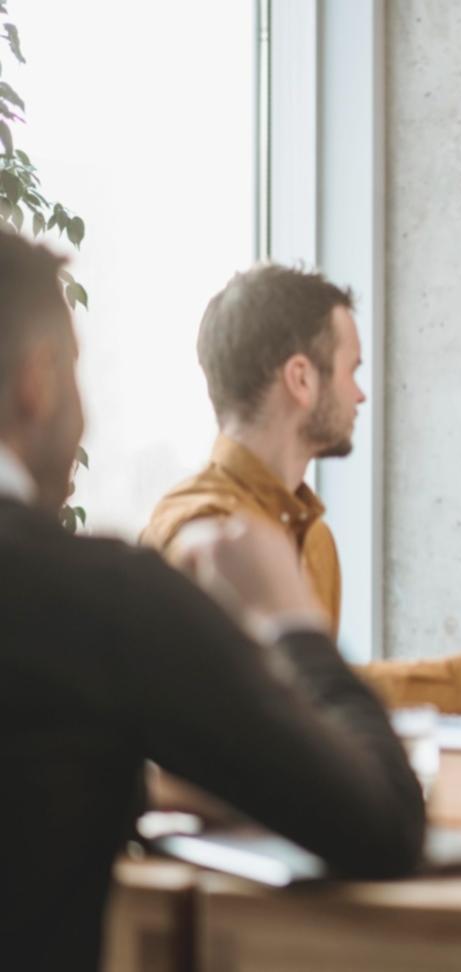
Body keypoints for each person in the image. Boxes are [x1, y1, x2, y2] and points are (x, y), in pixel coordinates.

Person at [0, 232, 428, 970]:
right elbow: (382, 824)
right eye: (75, 375)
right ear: (36, 381)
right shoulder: (104, 596)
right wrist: (293, 624)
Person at [141, 264, 461, 713]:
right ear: (302, 379)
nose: (360, 394)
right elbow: (297, 703)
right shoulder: (203, 532)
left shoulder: (315, 539)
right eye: (351, 369)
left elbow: (326, 703)